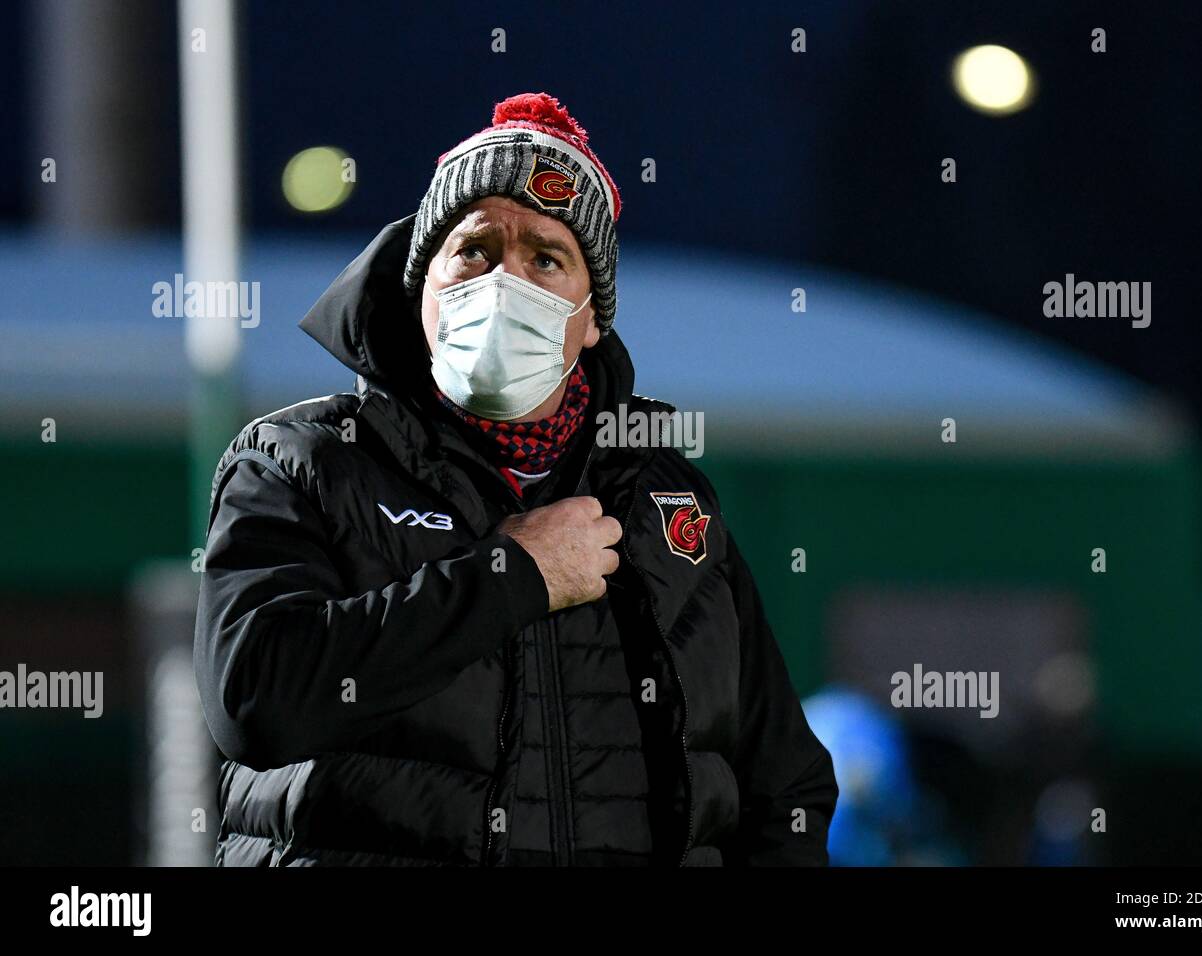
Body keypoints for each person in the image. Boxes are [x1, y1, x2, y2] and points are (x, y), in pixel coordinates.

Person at [193, 91, 837, 866]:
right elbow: (256, 702)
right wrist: (509, 576)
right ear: (419, 284)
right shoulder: (304, 462)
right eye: (474, 250)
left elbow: (782, 783)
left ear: (592, 316)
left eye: (546, 258)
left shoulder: (666, 499)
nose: (504, 284)